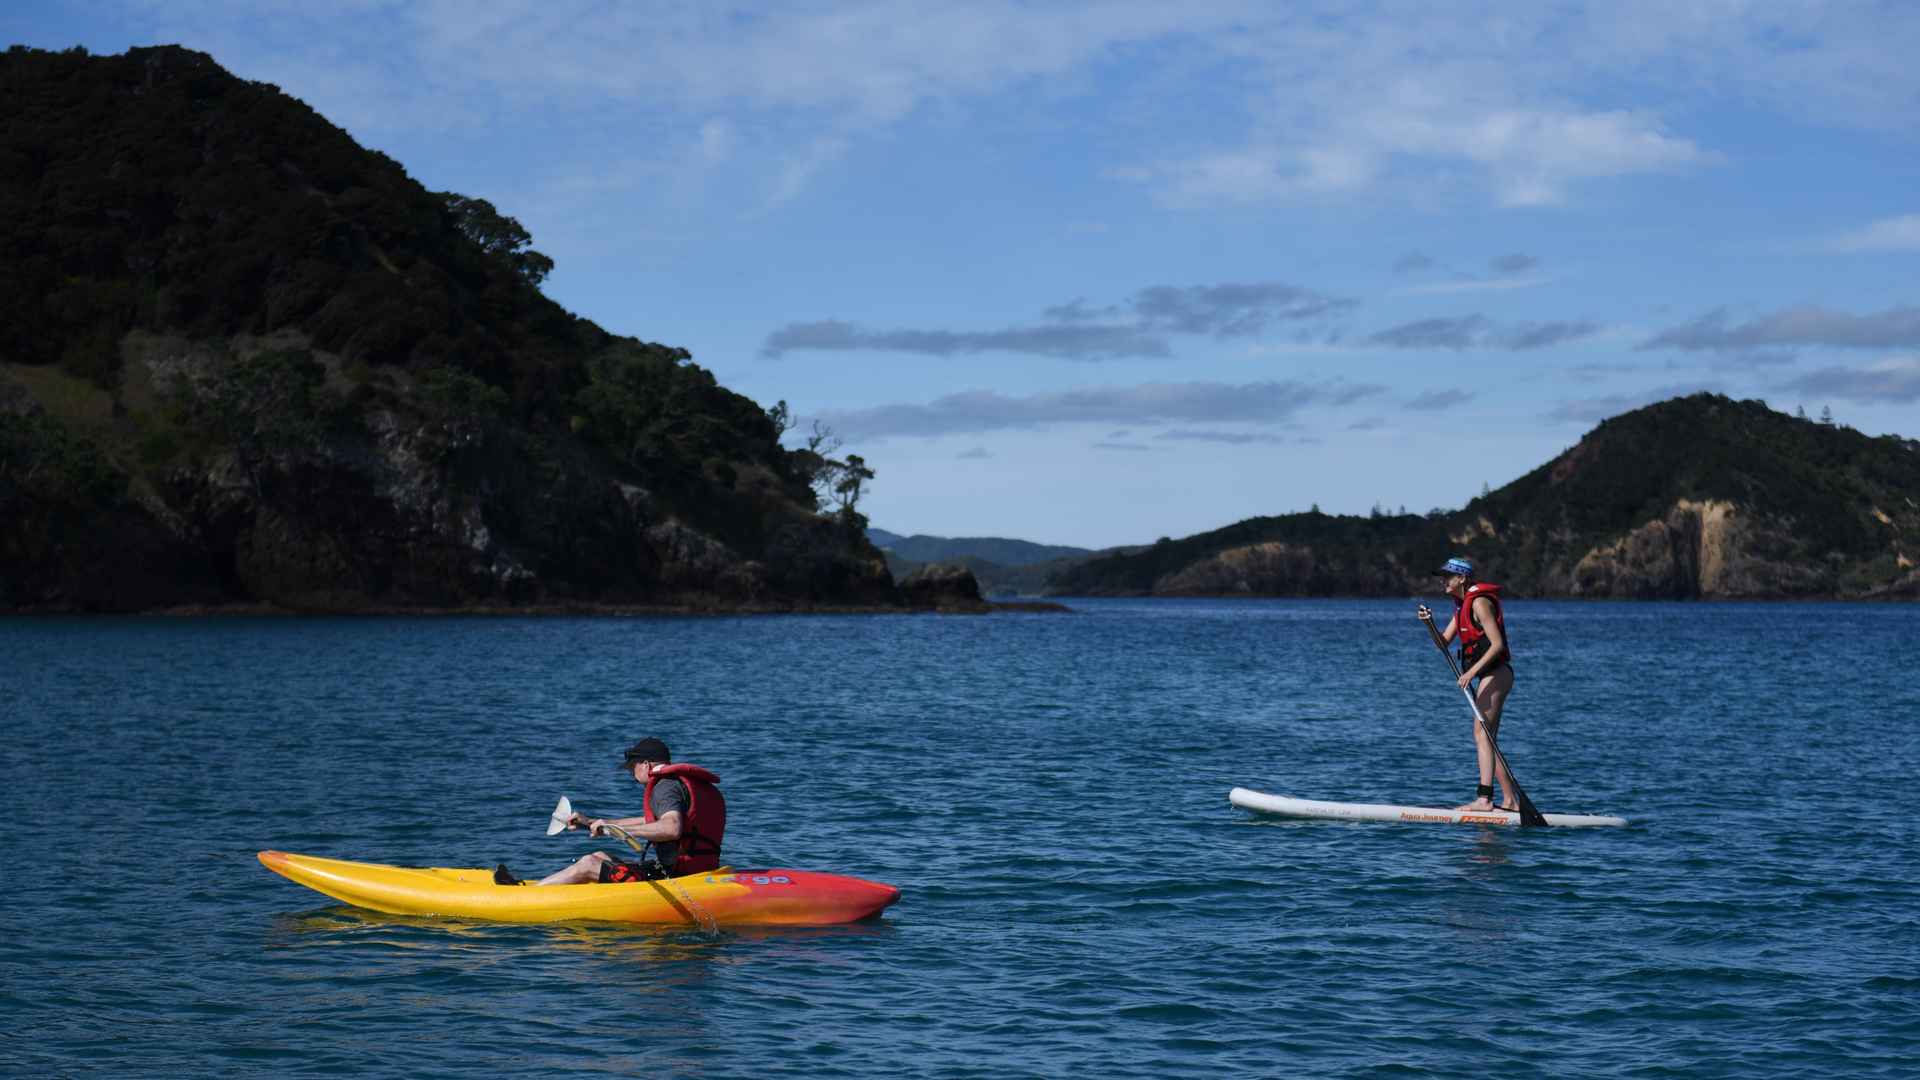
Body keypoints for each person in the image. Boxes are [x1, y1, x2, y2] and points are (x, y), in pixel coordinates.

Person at [495, 737, 726, 885]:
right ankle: (541, 887)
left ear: (646, 764)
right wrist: (595, 822)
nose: (630, 773)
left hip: (678, 878)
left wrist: (613, 829)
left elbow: (671, 828)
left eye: (632, 767)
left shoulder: (665, 787)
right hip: (695, 871)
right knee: (599, 857)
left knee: (588, 864)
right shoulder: (680, 784)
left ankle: (528, 895)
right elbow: (649, 820)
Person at [1418, 556, 1517, 812]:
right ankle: (1510, 801)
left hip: (1497, 673)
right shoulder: (1461, 605)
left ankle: (1484, 800)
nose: (1443, 581)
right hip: (1487, 674)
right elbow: (1443, 644)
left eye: (1448, 576)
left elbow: (1497, 645)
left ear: (1462, 578)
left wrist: (1470, 673)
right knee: (1487, 737)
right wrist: (1429, 624)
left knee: (1481, 733)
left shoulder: (1480, 602)